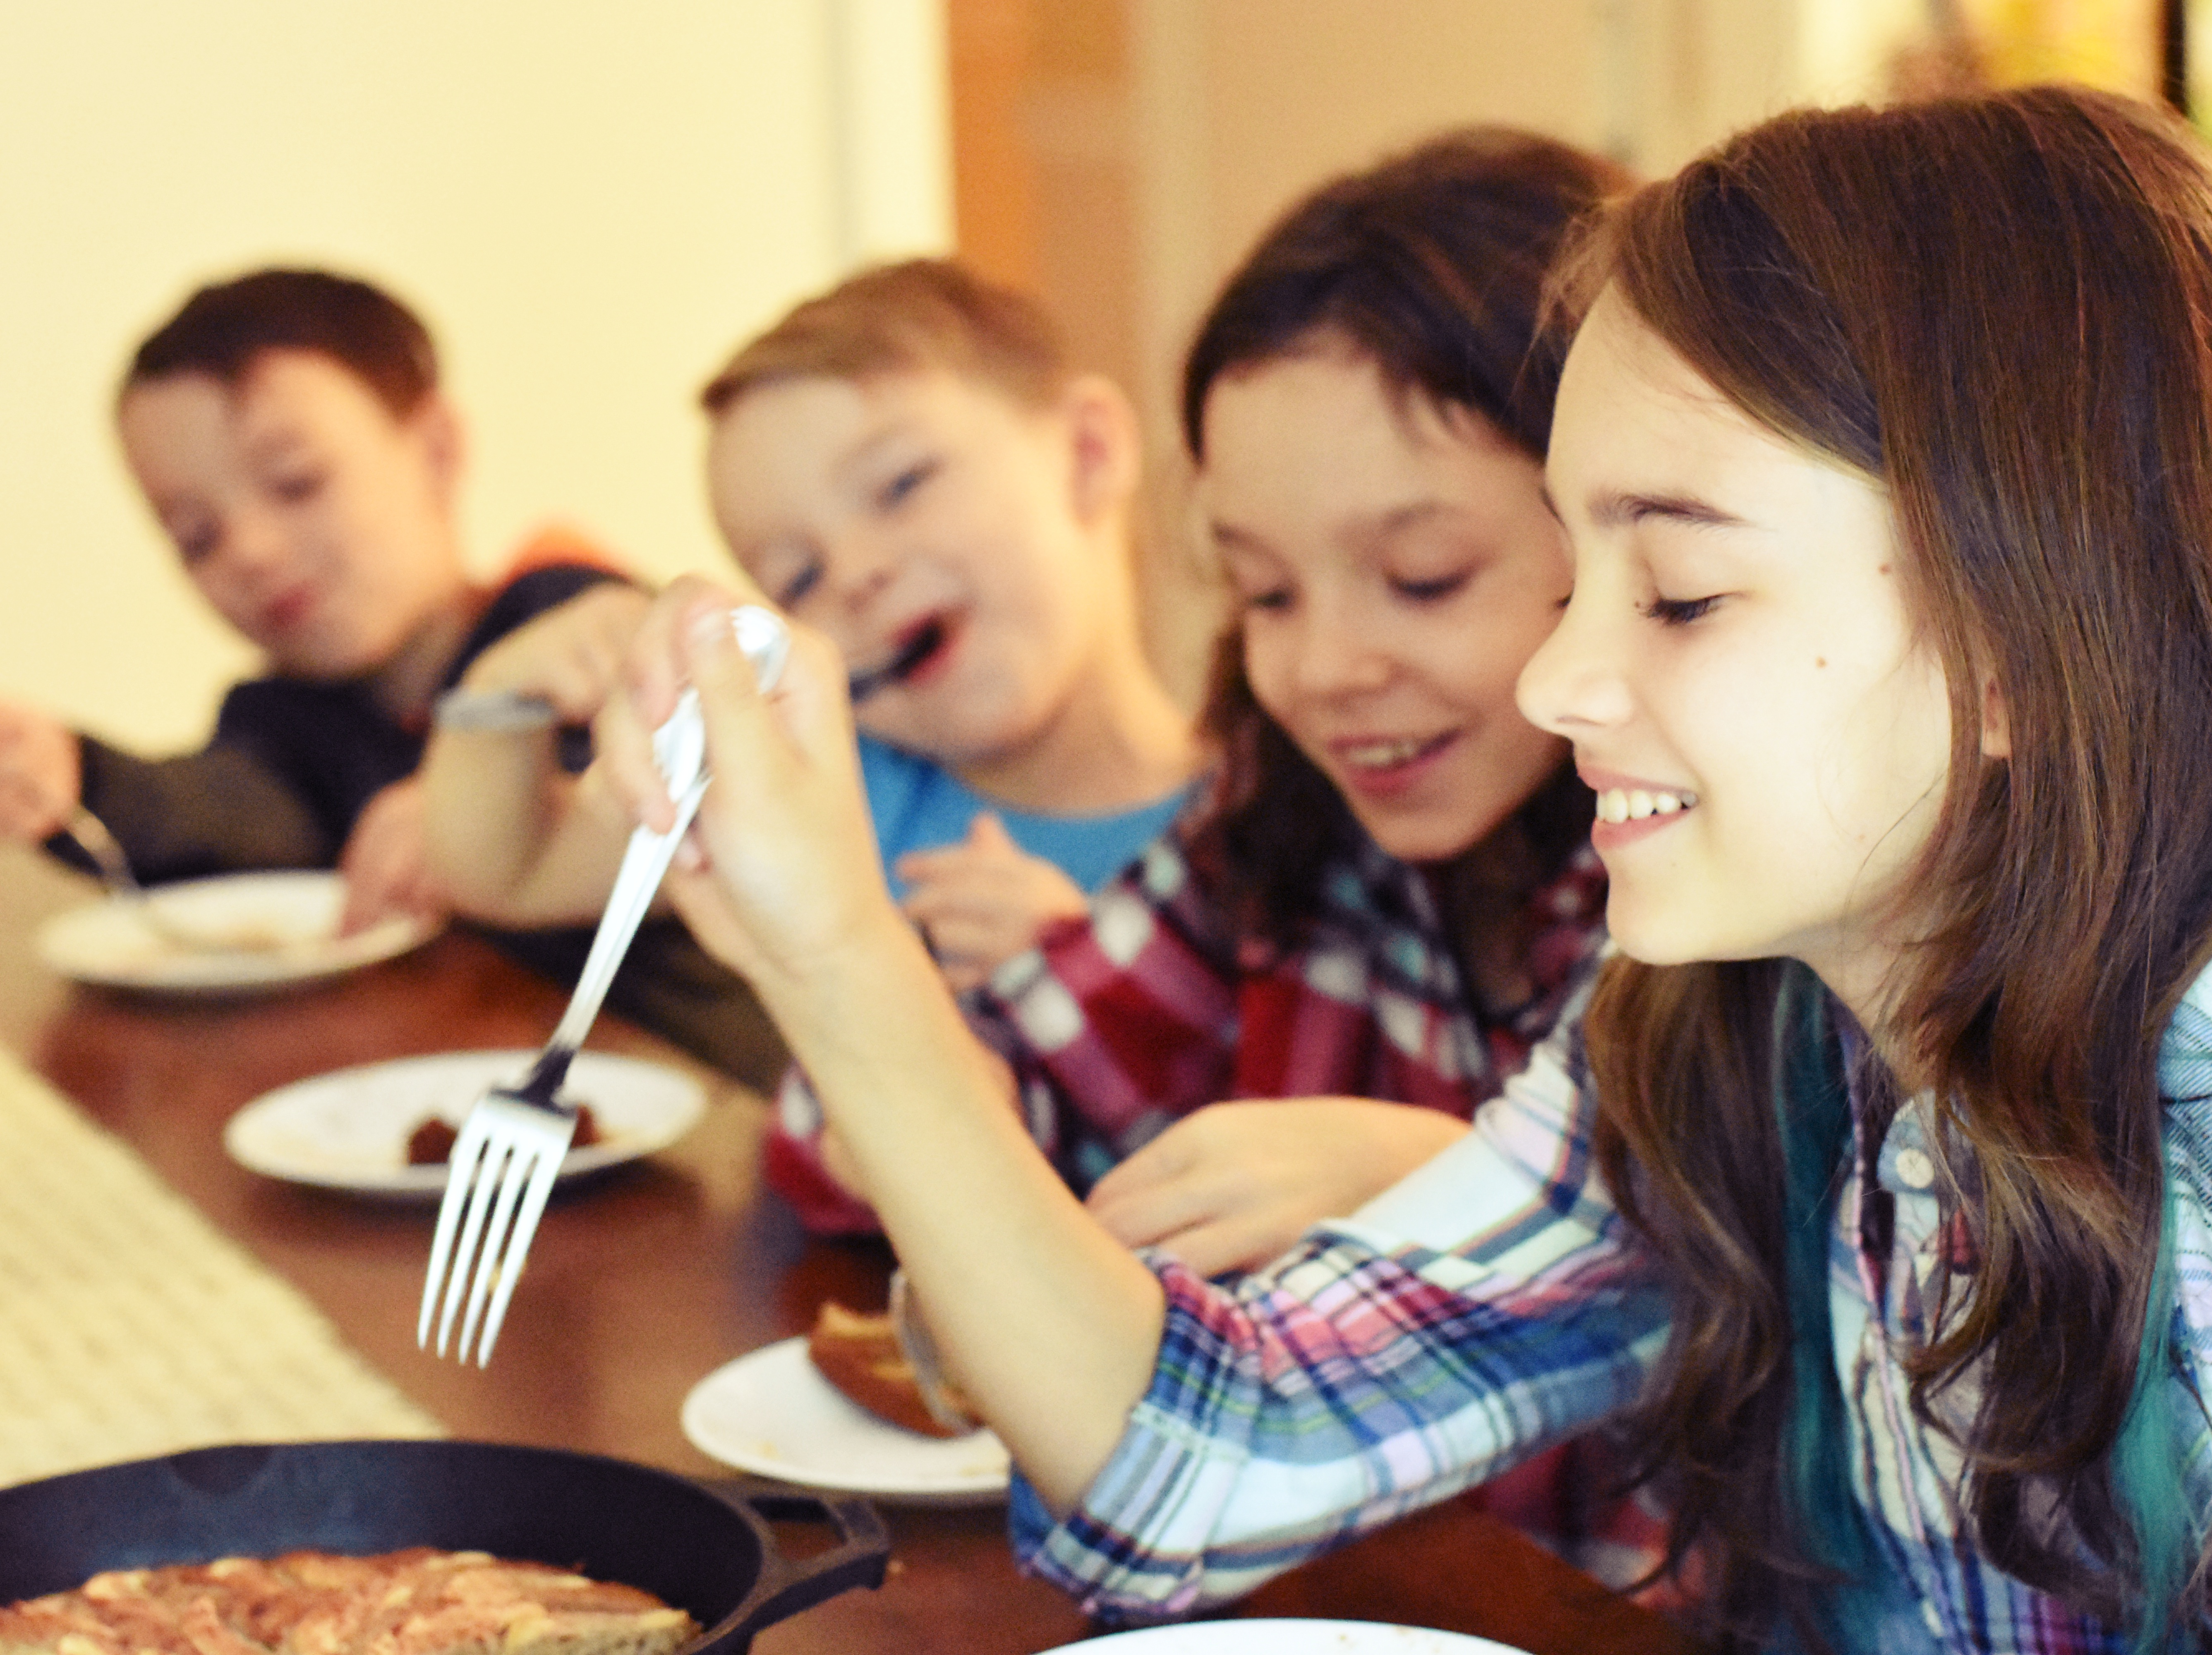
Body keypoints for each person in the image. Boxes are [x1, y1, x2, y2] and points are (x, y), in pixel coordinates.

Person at [596, 82, 2212, 1649]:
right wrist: (825, 942)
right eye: (1573, 577)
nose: (1555, 671)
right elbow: (1202, 1452)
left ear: (2021, 636)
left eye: (1674, 588)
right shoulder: (1728, 1018)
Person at [768, 130, 1627, 1271]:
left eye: (1425, 579)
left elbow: (1762, 1314)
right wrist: (928, 1069)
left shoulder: (1711, 906)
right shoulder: (1282, 826)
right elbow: (911, 1114)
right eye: (1264, 592)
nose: (1323, 670)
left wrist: (1455, 1182)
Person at [0, 268, 784, 1091]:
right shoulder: (281, 719)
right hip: (484, 1109)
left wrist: (486, 800)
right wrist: (78, 773)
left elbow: (691, 772)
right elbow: (232, 826)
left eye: (297, 481)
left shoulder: (569, 619)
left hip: (725, 1101)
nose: (252, 551)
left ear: (436, 449)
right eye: (197, 536)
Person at [421, 259, 1199, 1005]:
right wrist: (505, 693)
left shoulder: (1266, 824)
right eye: (798, 578)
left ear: (1089, 454)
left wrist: (1093, 983)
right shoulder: (817, 783)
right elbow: (513, 872)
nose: (857, 574)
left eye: (903, 484)